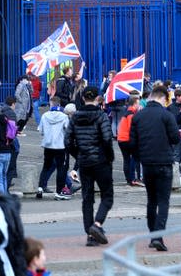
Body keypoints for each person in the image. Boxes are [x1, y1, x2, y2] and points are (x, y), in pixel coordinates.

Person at [129, 85, 180, 252]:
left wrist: (140, 156)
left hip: (147, 163)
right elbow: (174, 138)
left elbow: (132, 143)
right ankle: (158, 236)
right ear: (163, 98)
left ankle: (152, 235)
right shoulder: (167, 115)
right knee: (163, 201)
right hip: (164, 162)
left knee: (151, 201)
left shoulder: (138, 116)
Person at [65, 86, 115, 247]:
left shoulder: (74, 117)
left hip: (85, 161)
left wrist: (78, 154)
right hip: (100, 161)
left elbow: (67, 142)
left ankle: (90, 234)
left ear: (83, 98)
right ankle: (97, 224)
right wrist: (109, 156)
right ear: (97, 99)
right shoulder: (101, 116)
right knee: (107, 195)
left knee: (87, 198)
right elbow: (107, 139)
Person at [37, 96, 70, 200]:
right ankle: (59, 191)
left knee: (46, 167)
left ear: (51, 104)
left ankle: (40, 188)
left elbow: (41, 131)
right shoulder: (64, 116)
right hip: (60, 145)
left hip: (48, 144)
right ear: (59, 105)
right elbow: (68, 130)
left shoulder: (45, 116)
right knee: (61, 168)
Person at [117, 96, 143, 187]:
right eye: (138, 103)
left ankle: (128, 179)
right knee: (134, 159)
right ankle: (132, 178)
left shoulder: (126, 113)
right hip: (127, 139)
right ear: (135, 104)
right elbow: (132, 129)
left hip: (121, 139)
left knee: (126, 160)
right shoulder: (131, 114)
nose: (139, 105)